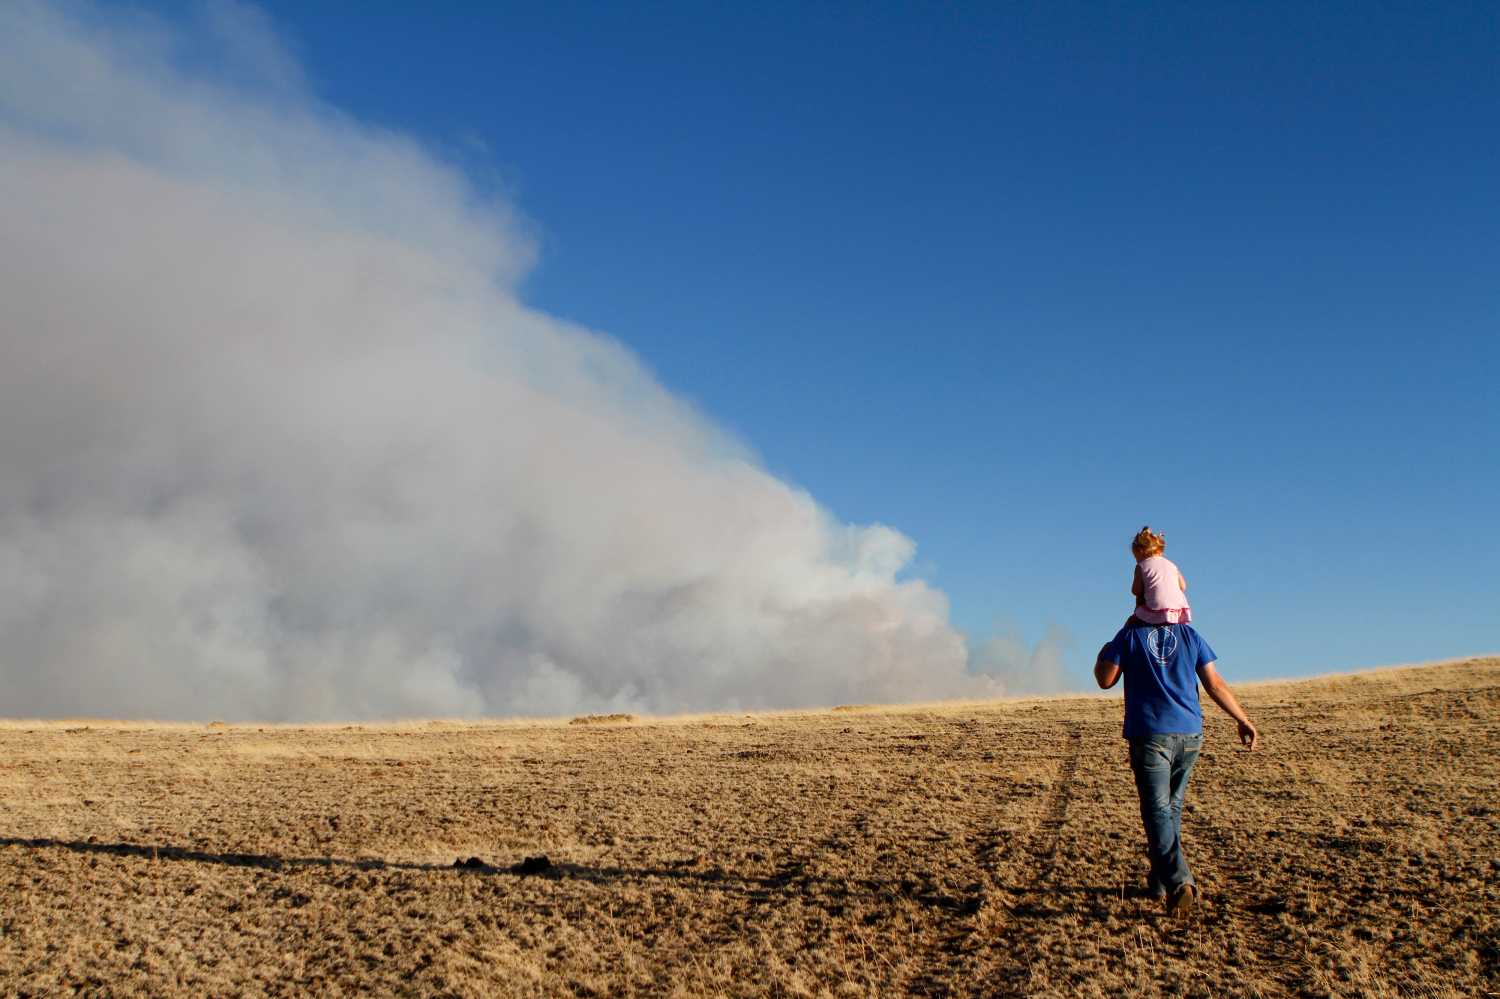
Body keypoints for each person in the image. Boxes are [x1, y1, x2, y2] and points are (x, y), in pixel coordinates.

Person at [1094, 615, 1258, 917]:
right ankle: (1159, 881)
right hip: (1190, 734)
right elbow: (1215, 683)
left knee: (1156, 810)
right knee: (1170, 808)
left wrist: (1106, 650)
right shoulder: (1190, 635)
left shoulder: (1130, 635)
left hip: (1151, 734)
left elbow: (1105, 680)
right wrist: (1242, 719)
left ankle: (1179, 881)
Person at [1128, 525, 1191, 626]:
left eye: (1136, 557)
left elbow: (1136, 591)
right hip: (1178, 613)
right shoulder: (1172, 565)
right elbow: (1183, 586)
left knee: (1131, 622)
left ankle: (1117, 641)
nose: (1136, 560)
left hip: (1155, 611)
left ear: (1140, 552)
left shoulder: (1141, 566)